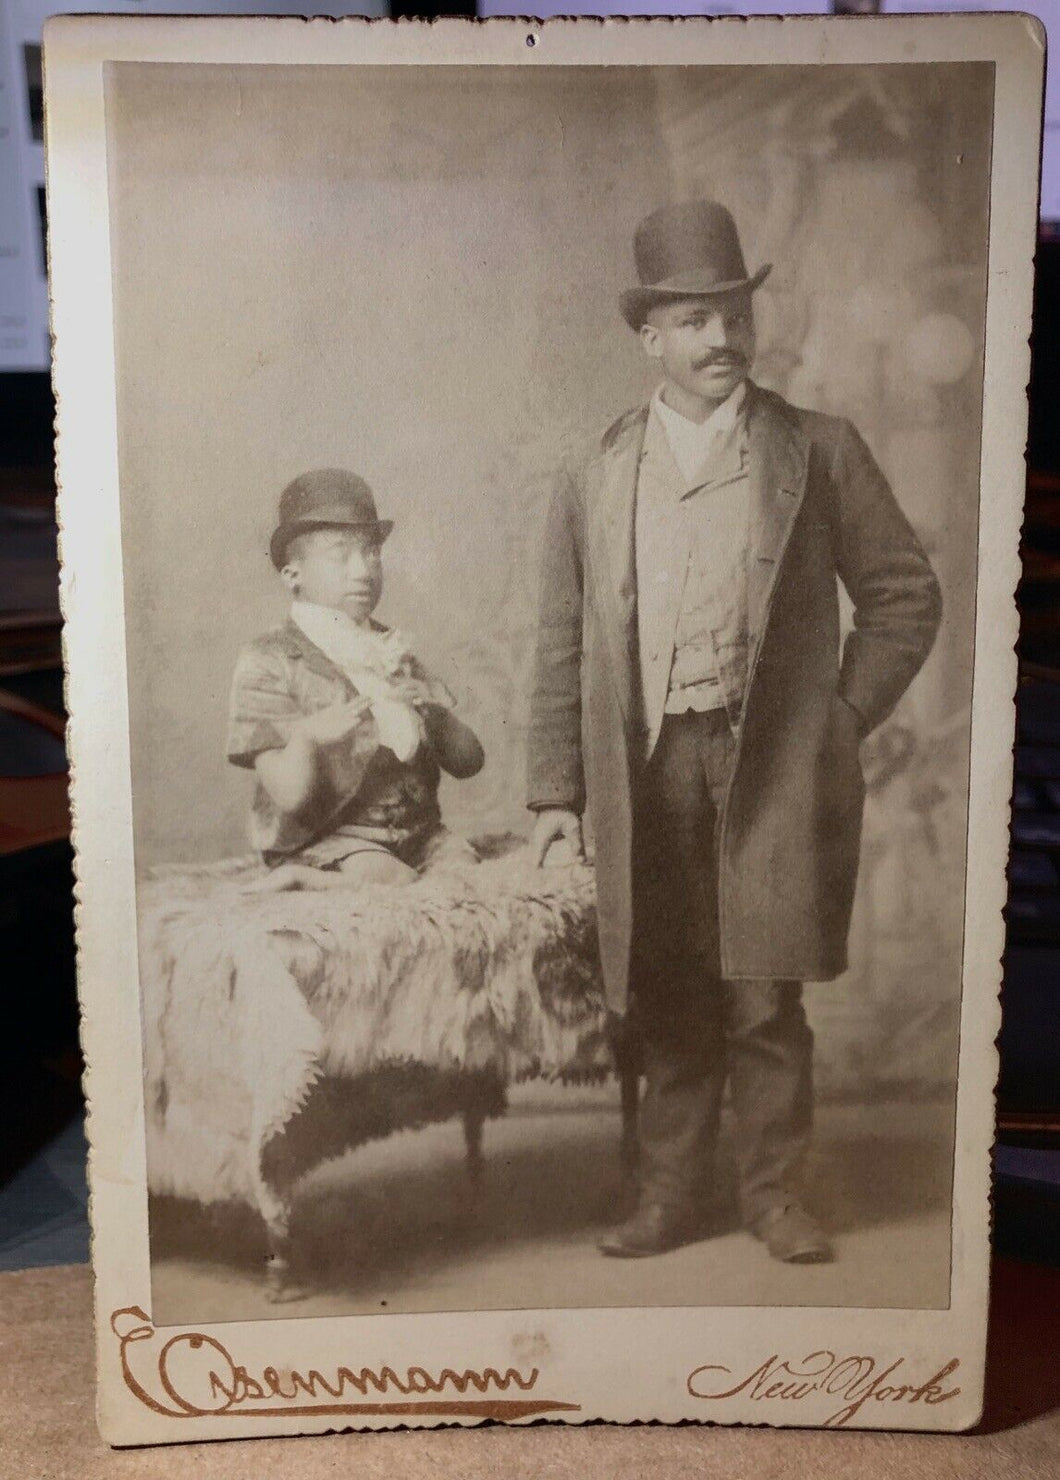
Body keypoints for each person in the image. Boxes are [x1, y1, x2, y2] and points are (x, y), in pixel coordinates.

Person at [526, 200, 942, 1264]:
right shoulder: (595, 469)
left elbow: (902, 595)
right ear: (649, 338)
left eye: (732, 314)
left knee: (763, 993)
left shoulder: (818, 450)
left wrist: (835, 721)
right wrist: (554, 798)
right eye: (694, 320)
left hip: (767, 765)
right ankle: (669, 1196)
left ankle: (774, 1195)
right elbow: (562, 645)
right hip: (647, 765)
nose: (722, 338)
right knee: (667, 985)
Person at [227, 467, 484, 891]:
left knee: (465, 873)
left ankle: (405, 870)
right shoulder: (269, 659)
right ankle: (300, 876)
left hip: (415, 833)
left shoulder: (393, 649)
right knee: (390, 879)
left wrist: (436, 713)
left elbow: (469, 763)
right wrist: (307, 737)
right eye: (340, 555)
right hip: (327, 837)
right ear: (293, 574)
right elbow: (289, 795)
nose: (363, 570)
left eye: (371, 553)